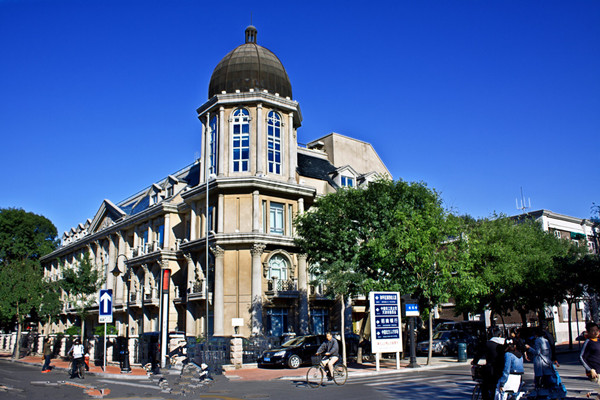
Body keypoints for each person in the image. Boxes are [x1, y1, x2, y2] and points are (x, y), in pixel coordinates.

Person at [472, 328, 505, 400]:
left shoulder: (488, 344)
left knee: (485, 385)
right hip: (501, 368)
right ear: (500, 335)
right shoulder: (504, 343)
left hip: (490, 369)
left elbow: (479, 354)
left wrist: (475, 361)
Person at [580, 323, 600, 389]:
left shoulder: (599, 341)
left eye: (597, 330)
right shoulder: (588, 342)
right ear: (588, 332)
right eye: (593, 331)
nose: (595, 332)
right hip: (595, 372)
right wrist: (590, 369)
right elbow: (582, 357)